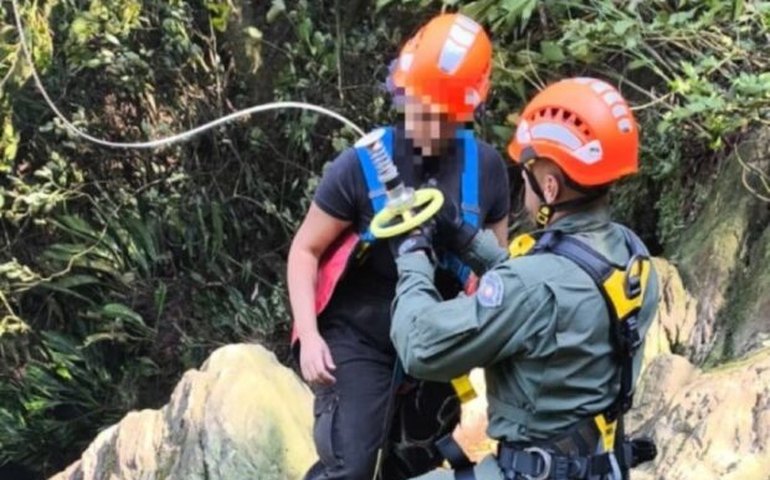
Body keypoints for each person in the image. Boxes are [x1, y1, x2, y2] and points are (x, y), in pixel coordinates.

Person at [389, 77, 660, 480]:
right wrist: (467, 240)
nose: (524, 185)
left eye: (528, 171)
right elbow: (553, 290)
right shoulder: (632, 256)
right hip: (600, 466)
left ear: (550, 187)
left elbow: (419, 347)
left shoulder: (533, 286)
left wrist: (412, 258)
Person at [286, 13, 511, 480]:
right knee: (352, 467)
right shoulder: (360, 166)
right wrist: (308, 335)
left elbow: (497, 272)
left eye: (440, 115)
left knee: (417, 463)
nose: (426, 123)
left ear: (465, 112)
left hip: (434, 337)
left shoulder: (486, 171)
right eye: (419, 106)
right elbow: (305, 250)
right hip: (359, 334)